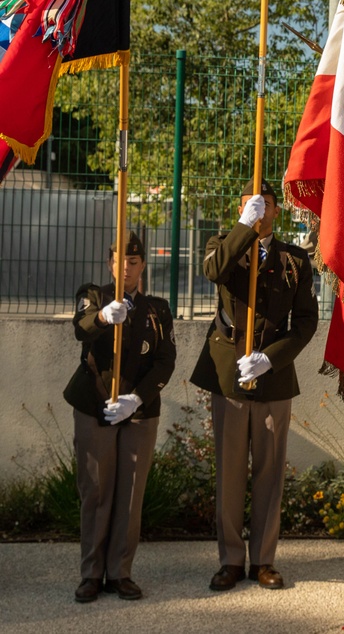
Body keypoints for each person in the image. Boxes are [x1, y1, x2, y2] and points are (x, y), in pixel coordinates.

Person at [190, 179, 319, 592]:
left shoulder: (295, 261)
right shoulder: (222, 244)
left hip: (272, 375)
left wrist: (271, 359)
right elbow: (214, 270)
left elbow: (305, 323)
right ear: (243, 210)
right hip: (228, 370)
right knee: (230, 473)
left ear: (277, 211)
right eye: (250, 206)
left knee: (269, 473)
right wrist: (243, 229)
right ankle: (230, 560)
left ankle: (264, 560)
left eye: (265, 206)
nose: (259, 211)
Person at [66, 231, 175, 603]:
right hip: (94, 404)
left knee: (130, 494)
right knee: (96, 491)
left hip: (138, 410)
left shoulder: (158, 308)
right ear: (110, 262)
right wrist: (100, 316)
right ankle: (91, 573)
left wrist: (137, 398)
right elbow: (80, 328)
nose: (126, 268)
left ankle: (120, 572)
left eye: (133, 262)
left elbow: (165, 360)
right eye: (119, 261)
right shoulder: (93, 295)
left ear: (142, 265)